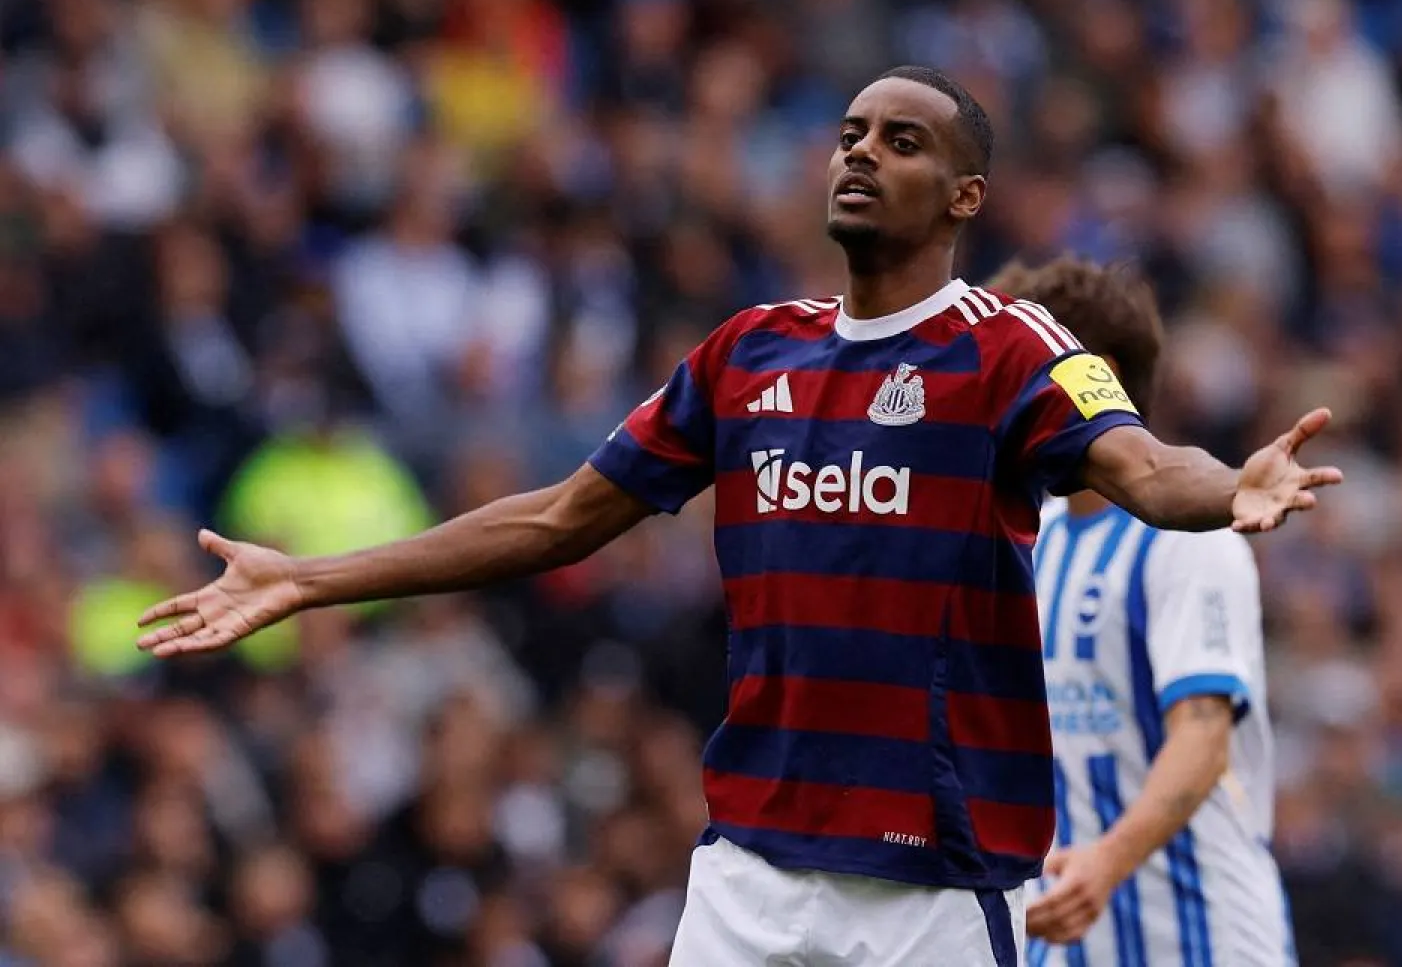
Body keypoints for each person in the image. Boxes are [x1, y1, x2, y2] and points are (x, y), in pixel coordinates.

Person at [136, 66, 1340, 967]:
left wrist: (1228, 487)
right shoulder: (747, 352)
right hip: (748, 869)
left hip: (929, 887)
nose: (860, 154)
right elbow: (559, 517)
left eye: (902, 141)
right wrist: (313, 578)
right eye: (850, 134)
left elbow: (1136, 462)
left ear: (965, 193)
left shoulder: (1012, 349)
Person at [991, 258, 1296, 966]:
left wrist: (1107, 859)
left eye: (1027, 372)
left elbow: (1201, 735)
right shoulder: (1028, 539)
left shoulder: (1190, 541)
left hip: (1199, 937)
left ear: (1094, 378)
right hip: (1063, 940)